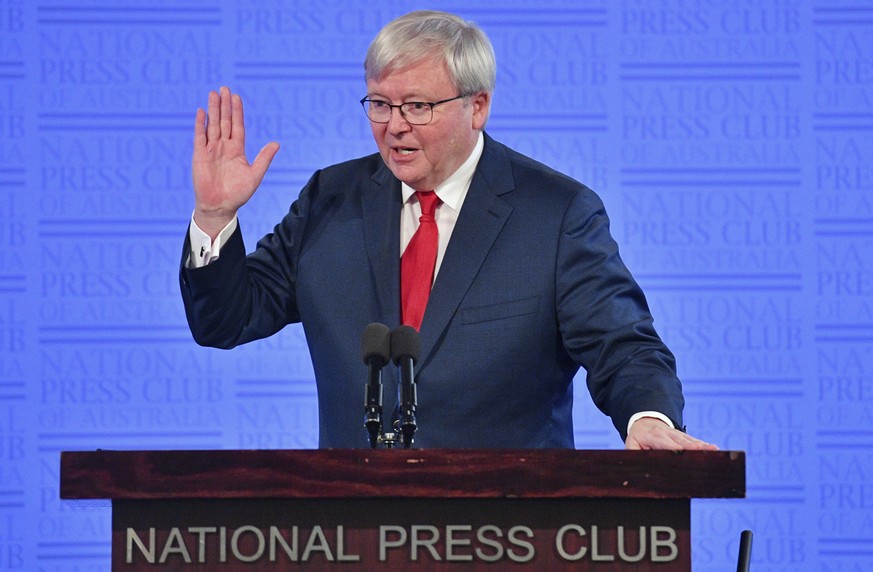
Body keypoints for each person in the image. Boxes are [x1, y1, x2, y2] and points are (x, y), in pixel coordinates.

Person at [180, 10, 717, 451]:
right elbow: (226, 320)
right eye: (381, 104)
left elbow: (622, 345)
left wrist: (648, 418)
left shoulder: (554, 215)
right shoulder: (330, 200)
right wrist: (215, 216)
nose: (394, 125)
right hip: (353, 532)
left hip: (509, 533)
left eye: (418, 105)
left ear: (477, 105)